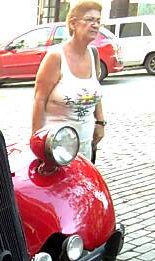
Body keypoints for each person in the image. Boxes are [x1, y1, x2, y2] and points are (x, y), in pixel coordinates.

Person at [31, 1, 105, 161]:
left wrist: (100, 122)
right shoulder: (56, 57)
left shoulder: (93, 54)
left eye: (98, 21)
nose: (95, 25)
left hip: (85, 144)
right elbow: (39, 99)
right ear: (73, 23)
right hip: (57, 147)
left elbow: (95, 91)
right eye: (90, 20)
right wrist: (37, 144)